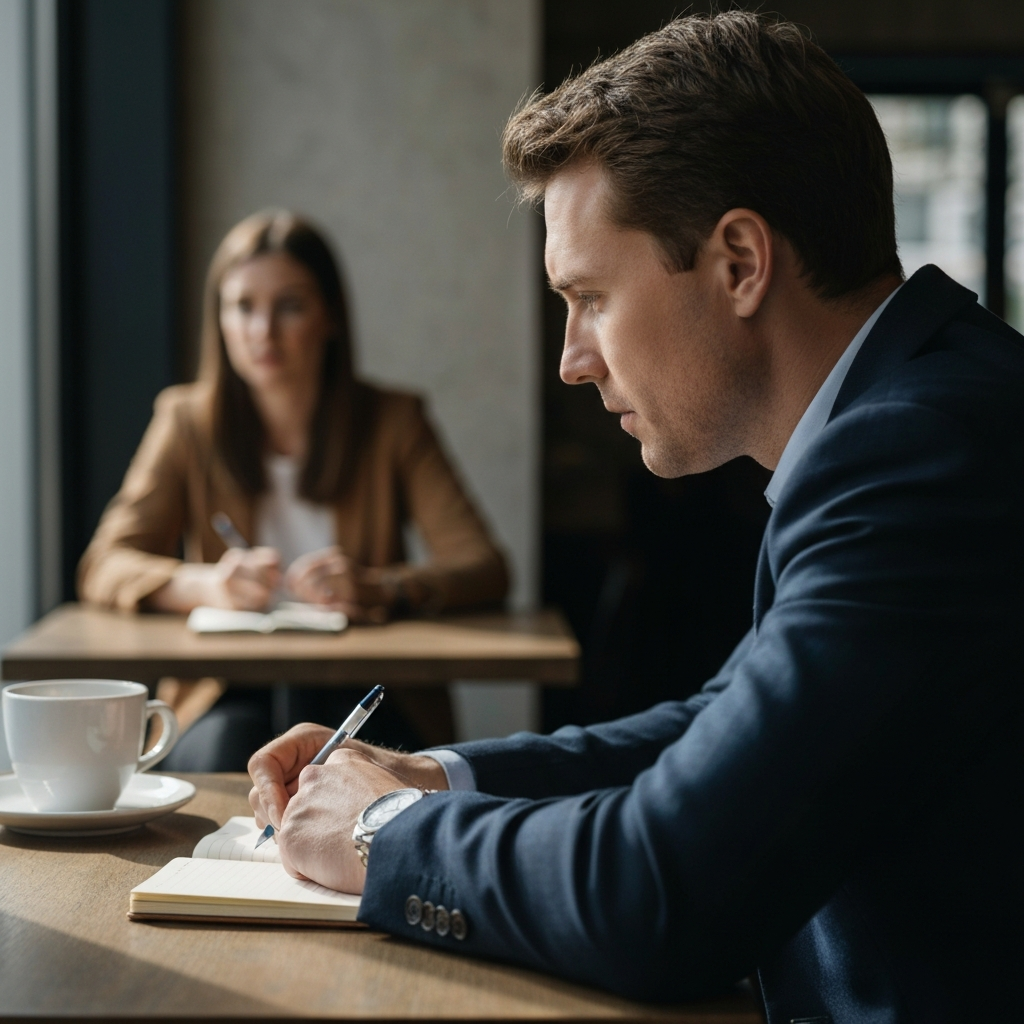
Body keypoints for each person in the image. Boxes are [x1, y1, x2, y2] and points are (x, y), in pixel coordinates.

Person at [247, 14, 1023, 1022]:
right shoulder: (916, 414)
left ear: (739, 261)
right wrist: (437, 772)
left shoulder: (921, 455)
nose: (573, 357)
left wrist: (383, 831)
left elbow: (663, 890)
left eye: (590, 298)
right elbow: (727, 724)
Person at [79, 210, 508, 767]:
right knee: (231, 751)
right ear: (220, 320)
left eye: (290, 306)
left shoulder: (393, 420)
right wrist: (204, 585)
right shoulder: (186, 420)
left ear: (329, 316)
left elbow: (484, 565)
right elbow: (103, 564)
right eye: (242, 307)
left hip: (366, 688)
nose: (263, 331)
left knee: (345, 762)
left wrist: (379, 587)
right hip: (225, 689)